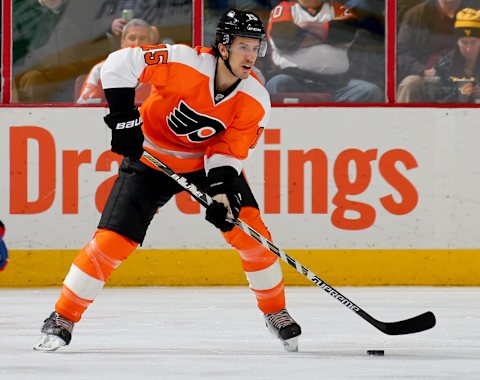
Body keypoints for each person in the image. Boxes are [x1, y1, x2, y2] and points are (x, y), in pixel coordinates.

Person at [34, 9, 302, 353]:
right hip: (150, 157)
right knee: (113, 242)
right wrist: (123, 120)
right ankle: (62, 316)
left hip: (205, 166)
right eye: (243, 47)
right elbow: (119, 64)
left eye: (256, 48)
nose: (251, 56)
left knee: (253, 236)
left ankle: (275, 310)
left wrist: (220, 193)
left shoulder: (255, 99)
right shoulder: (184, 62)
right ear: (223, 47)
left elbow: (229, 151)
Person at [265, 0, 384, 103]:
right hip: (294, 81)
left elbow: (347, 35)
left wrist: (305, 27)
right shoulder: (284, 8)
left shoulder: (338, 9)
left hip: (337, 86)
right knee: (277, 83)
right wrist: (326, 36)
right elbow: (284, 40)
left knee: (370, 91)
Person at [396, 0, 466, 103]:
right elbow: (399, 53)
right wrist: (423, 71)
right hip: (425, 77)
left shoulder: (475, 12)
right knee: (411, 83)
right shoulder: (416, 15)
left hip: (466, 77)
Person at [77, 19, 155, 104]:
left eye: (142, 38)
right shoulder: (101, 69)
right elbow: (84, 107)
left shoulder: (163, 70)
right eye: (132, 38)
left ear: (150, 44)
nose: (137, 43)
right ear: (122, 43)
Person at [430, 7, 480, 102]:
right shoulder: (444, 64)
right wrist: (459, 91)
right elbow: (437, 98)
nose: (468, 48)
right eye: (464, 43)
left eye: (474, 43)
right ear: (457, 42)